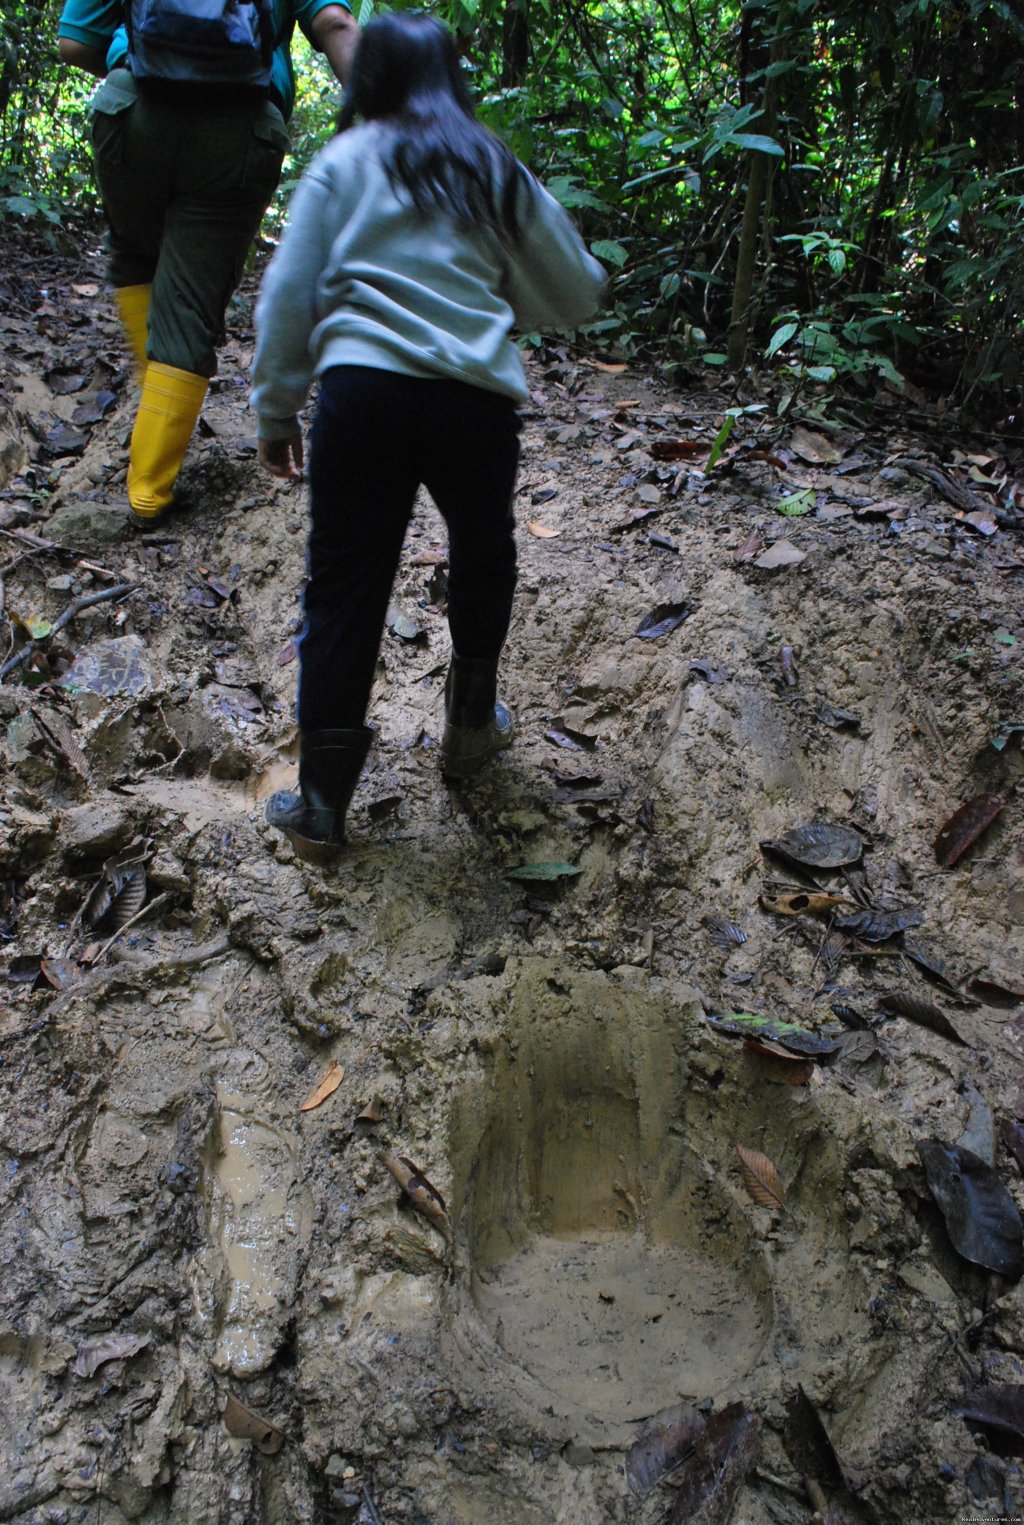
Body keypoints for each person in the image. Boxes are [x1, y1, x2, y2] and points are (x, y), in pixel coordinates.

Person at [252, 11, 605, 865]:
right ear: (454, 80)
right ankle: (471, 727)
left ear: (366, 80)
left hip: (363, 394)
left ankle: (324, 808)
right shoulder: (492, 166)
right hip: (473, 402)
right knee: (484, 551)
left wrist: (276, 407)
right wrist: (493, 302)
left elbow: (288, 297)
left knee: (343, 585)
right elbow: (578, 291)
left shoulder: (344, 162)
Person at [57, 0, 358, 526]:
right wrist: (396, 126)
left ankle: (158, 404)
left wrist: (150, 61)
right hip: (238, 129)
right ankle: (148, 491)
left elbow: (75, 43)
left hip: (132, 109)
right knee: (189, 303)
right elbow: (334, 24)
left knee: (135, 255)